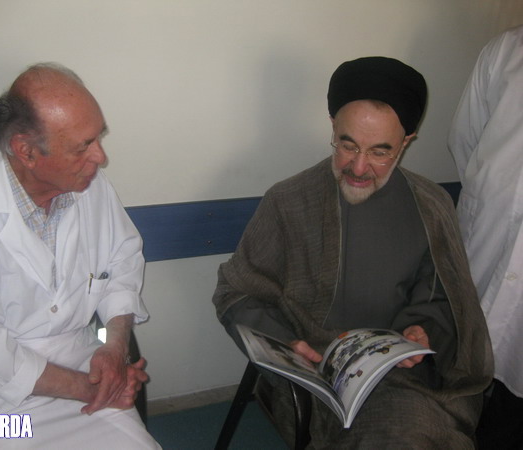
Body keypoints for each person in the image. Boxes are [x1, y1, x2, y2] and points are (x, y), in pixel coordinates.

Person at [213, 56, 493, 448]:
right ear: (333, 126)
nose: (359, 167)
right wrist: (284, 342)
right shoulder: (288, 200)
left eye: (380, 152)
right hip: (311, 373)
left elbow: (441, 297)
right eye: (348, 145)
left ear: (406, 142)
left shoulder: (431, 205)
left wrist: (420, 329)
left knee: (411, 435)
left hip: (401, 378)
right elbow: (237, 291)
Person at [0, 63, 160, 449]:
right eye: (83, 146)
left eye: (98, 138)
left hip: (82, 368)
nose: (100, 157)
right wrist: (91, 388)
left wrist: (114, 351)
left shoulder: (90, 186)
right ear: (26, 151)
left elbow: (123, 261)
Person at [448, 24, 523, 450]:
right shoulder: (504, 50)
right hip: (486, 236)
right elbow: (464, 139)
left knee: (514, 396)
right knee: (461, 360)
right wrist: (492, 194)